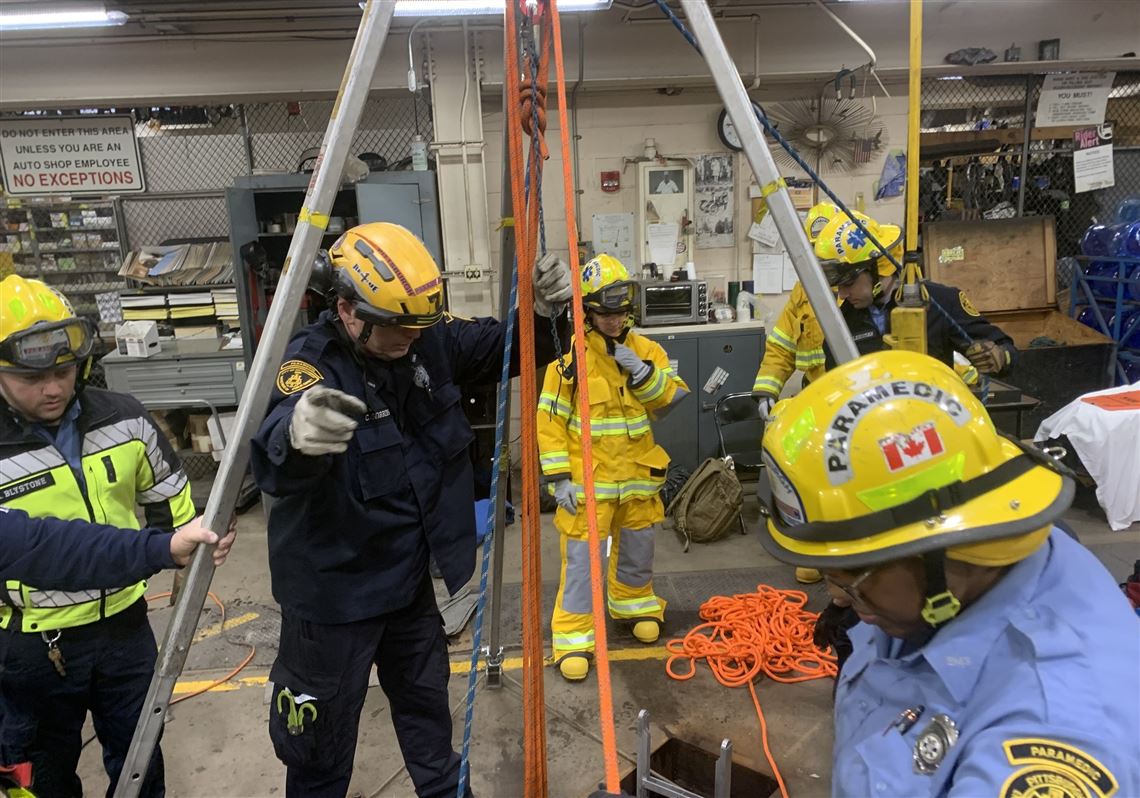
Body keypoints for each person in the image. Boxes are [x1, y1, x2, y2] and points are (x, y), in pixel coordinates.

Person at [249, 222, 572, 798]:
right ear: (346, 308)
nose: (411, 337)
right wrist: (297, 436)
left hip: (407, 590)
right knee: (319, 752)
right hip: (332, 604)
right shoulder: (311, 365)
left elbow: (511, 348)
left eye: (419, 323)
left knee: (429, 721)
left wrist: (549, 314)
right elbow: (275, 456)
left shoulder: (424, 338)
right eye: (398, 326)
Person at [756, 349, 1140, 797]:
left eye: (851, 579)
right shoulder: (966, 577)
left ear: (935, 550)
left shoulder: (1051, 725)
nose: (839, 598)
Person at [0, 275, 195, 798]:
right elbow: (34, 548)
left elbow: (169, 493)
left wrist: (180, 559)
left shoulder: (125, 418)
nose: (53, 388)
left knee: (140, 762)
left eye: (63, 371)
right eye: (31, 377)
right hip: (32, 644)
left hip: (125, 633)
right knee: (38, 778)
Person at [753, 204, 1014, 584]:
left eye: (847, 282)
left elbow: (1001, 345)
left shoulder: (938, 301)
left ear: (880, 270)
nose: (841, 292)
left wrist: (999, 356)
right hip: (879, 451)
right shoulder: (843, 321)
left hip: (936, 444)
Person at [537, 255, 689, 682]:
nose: (614, 320)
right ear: (587, 311)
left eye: (620, 311)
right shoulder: (571, 358)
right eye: (605, 313)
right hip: (590, 486)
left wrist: (642, 374)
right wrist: (559, 476)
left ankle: (633, 604)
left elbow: (670, 399)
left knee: (639, 552)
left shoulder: (645, 350)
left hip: (639, 480)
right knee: (584, 564)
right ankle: (573, 637)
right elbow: (548, 418)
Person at [1, 507, 234, 583]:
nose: (52, 390)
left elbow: (47, 547)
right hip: (28, 628)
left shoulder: (122, 415)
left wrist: (167, 547)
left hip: (125, 617)